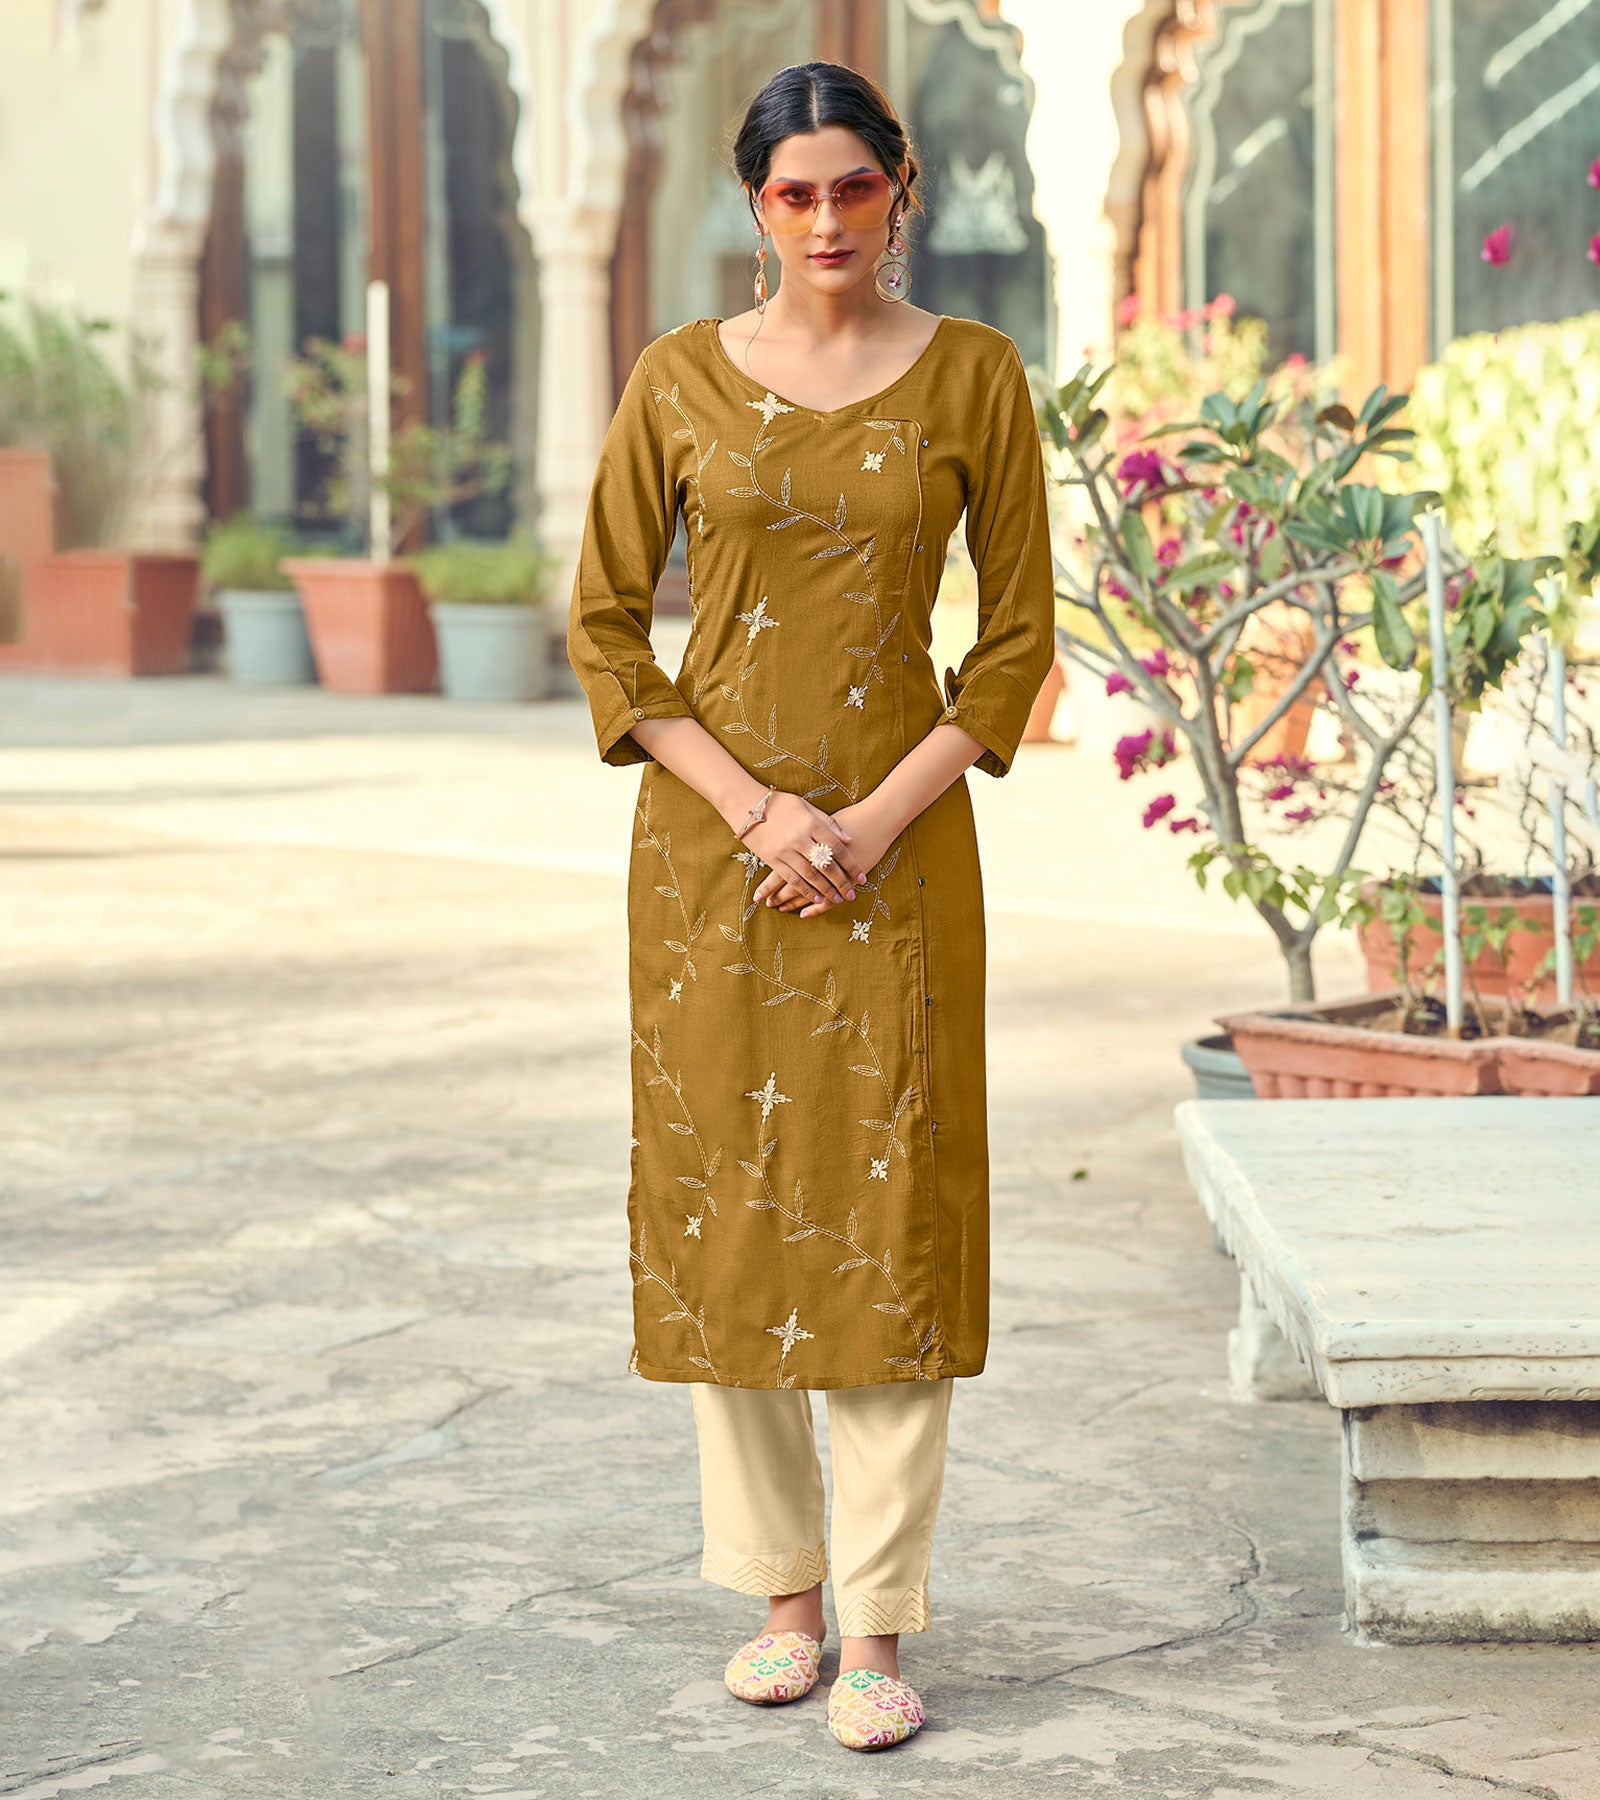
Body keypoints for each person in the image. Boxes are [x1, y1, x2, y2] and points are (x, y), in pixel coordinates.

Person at [565, 59, 1057, 1754]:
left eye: (856, 185)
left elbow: (1015, 644)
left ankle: (879, 1622)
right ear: (755, 204)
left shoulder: (976, 374)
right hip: (715, 858)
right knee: (735, 1207)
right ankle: (779, 1596)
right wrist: (765, 814)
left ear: (899, 189)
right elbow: (608, 628)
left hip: (898, 856)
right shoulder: (677, 378)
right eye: (796, 192)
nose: (828, 218)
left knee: (892, 1206)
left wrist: (865, 822)